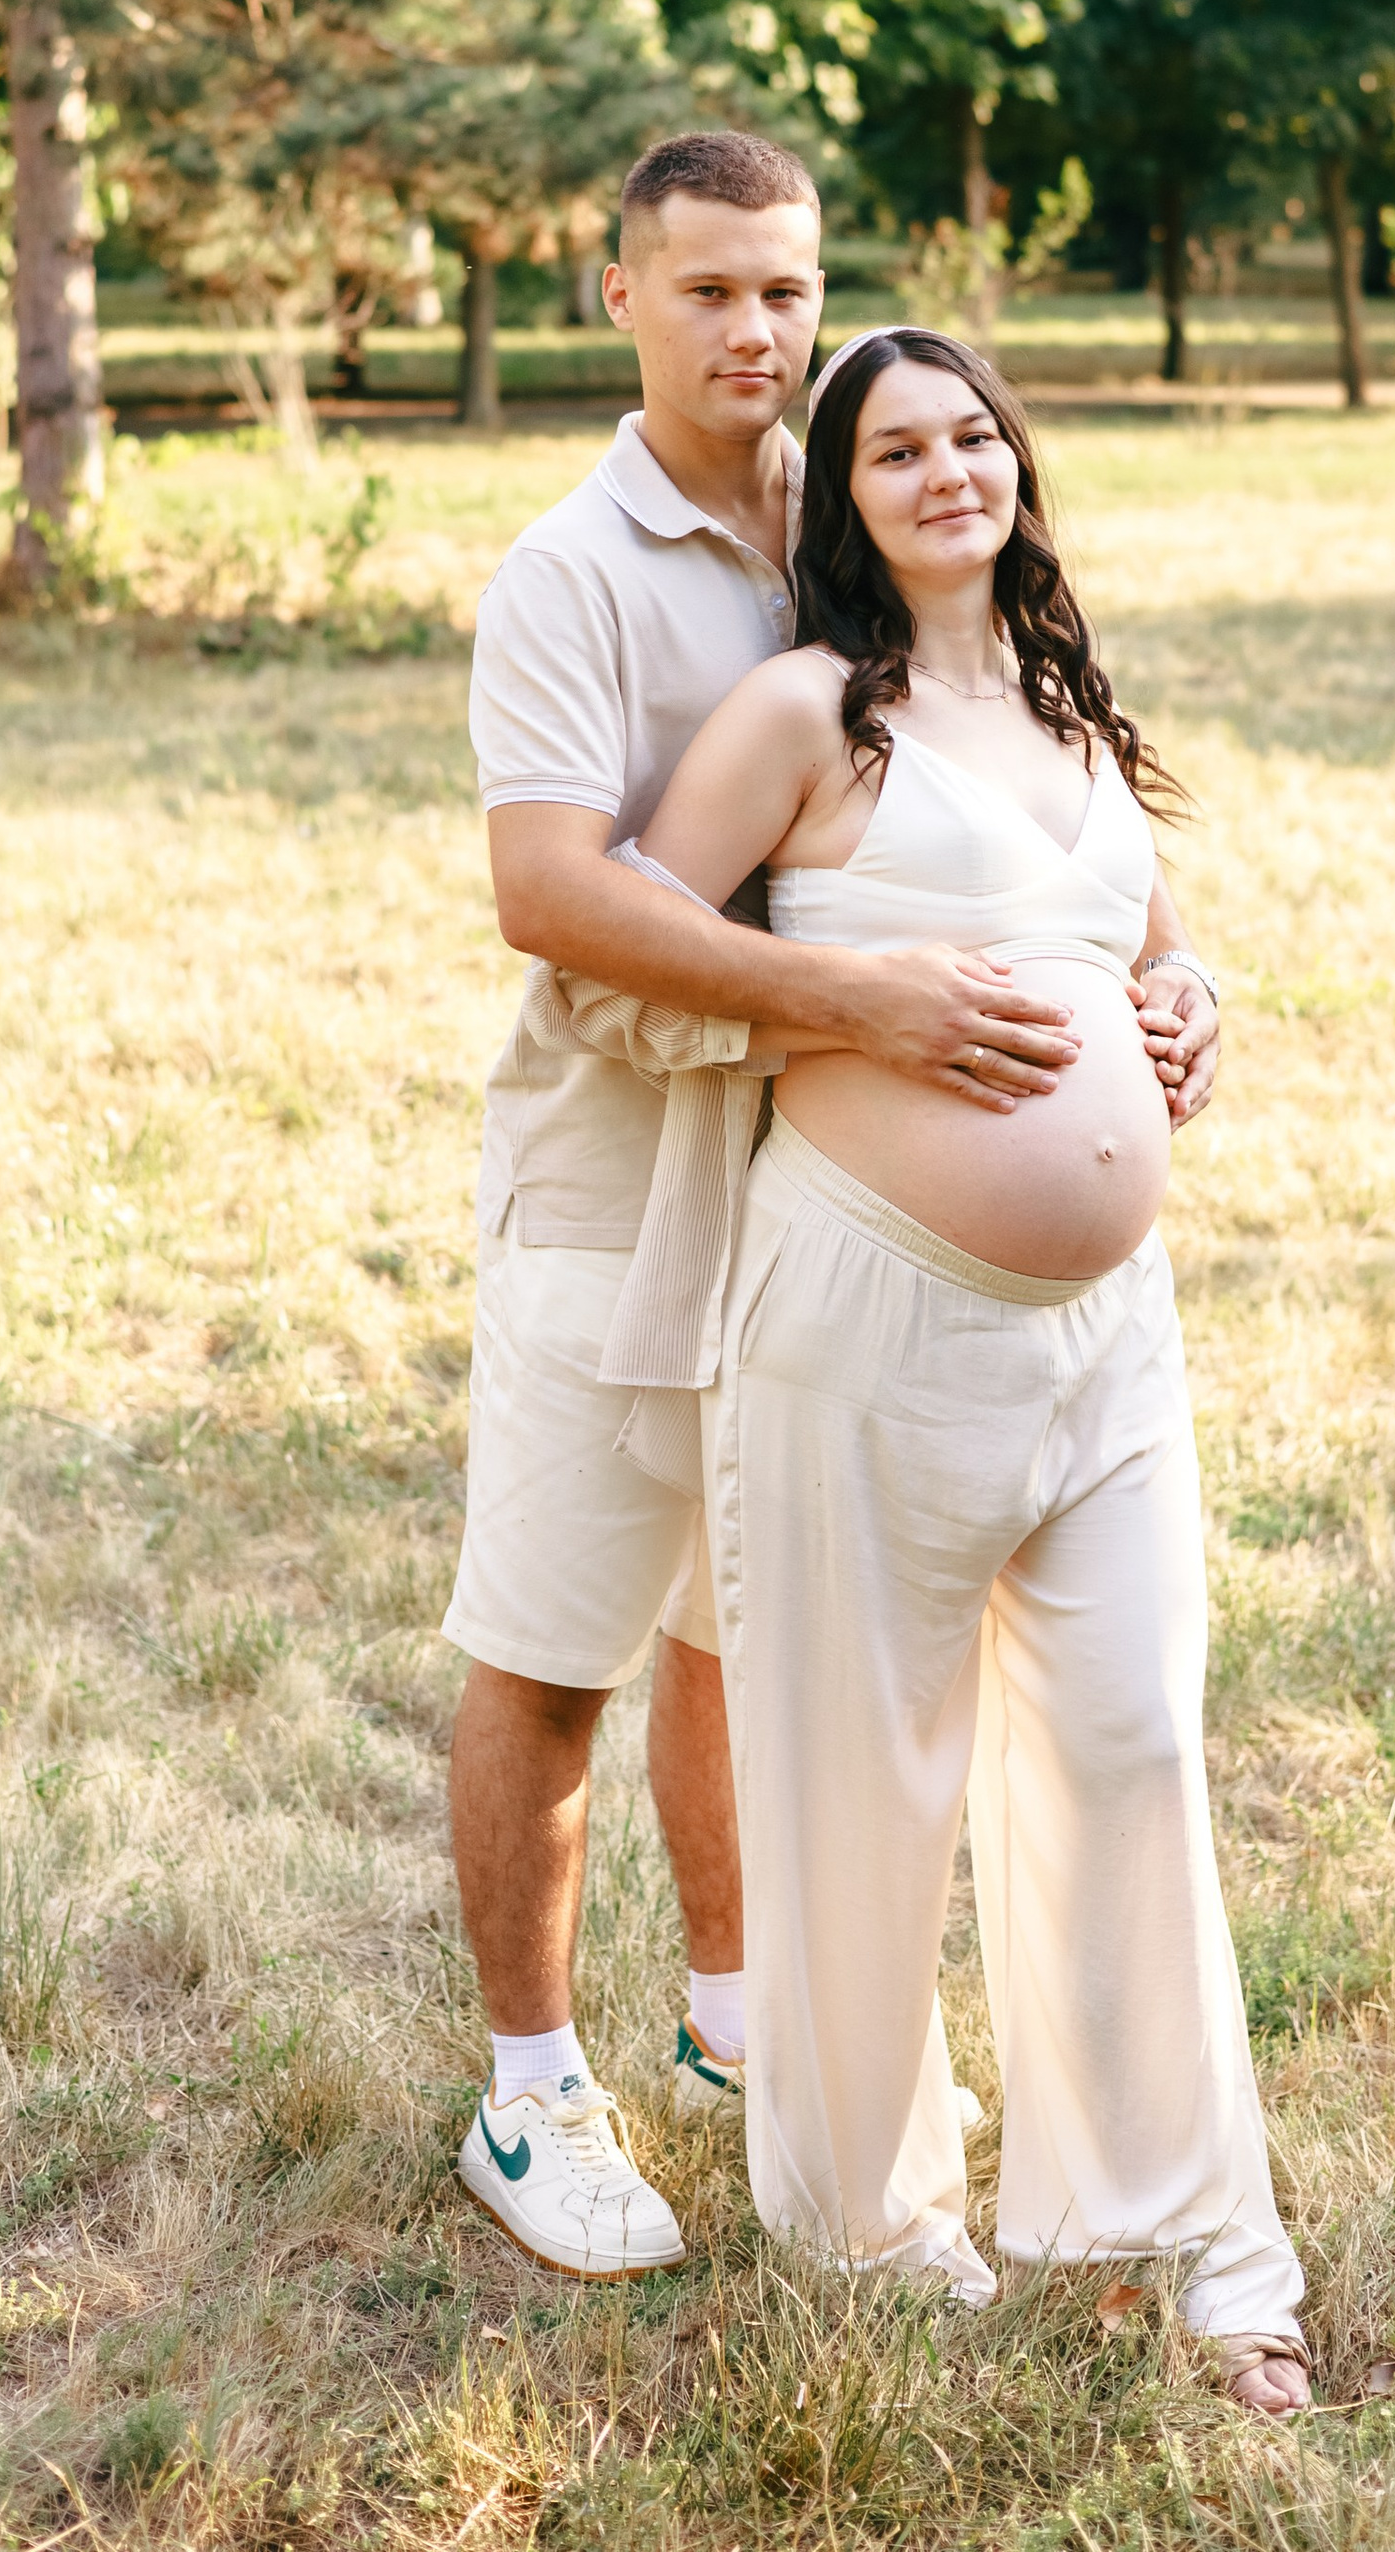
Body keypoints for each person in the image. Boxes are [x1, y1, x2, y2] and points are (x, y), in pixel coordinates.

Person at [444, 140, 1220, 2282]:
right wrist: (857, 1001)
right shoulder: (572, 573)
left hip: (815, 1223)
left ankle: (738, 2017)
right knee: (557, 1640)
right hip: (623, 1185)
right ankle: (529, 2093)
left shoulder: (848, 505)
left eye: (782, 289)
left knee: (738, 1632)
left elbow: (1010, 817)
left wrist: (1164, 985)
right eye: (705, 290)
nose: (752, 330)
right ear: (620, 294)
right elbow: (549, 892)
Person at [623, 323, 1311, 2407]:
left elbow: (1148, 938)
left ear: (1017, 463)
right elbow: (629, 959)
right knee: (867, 1774)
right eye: (896, 449)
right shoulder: (801, 714)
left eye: (974, 436)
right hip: (867, 1309)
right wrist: (859, 1009)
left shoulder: (1064, 704)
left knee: (1134, 1746)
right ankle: (874, 2227)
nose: (948, 472)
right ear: (839, 497)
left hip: (1108, 1335)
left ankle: (1182, 2230)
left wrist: (1189, 999)